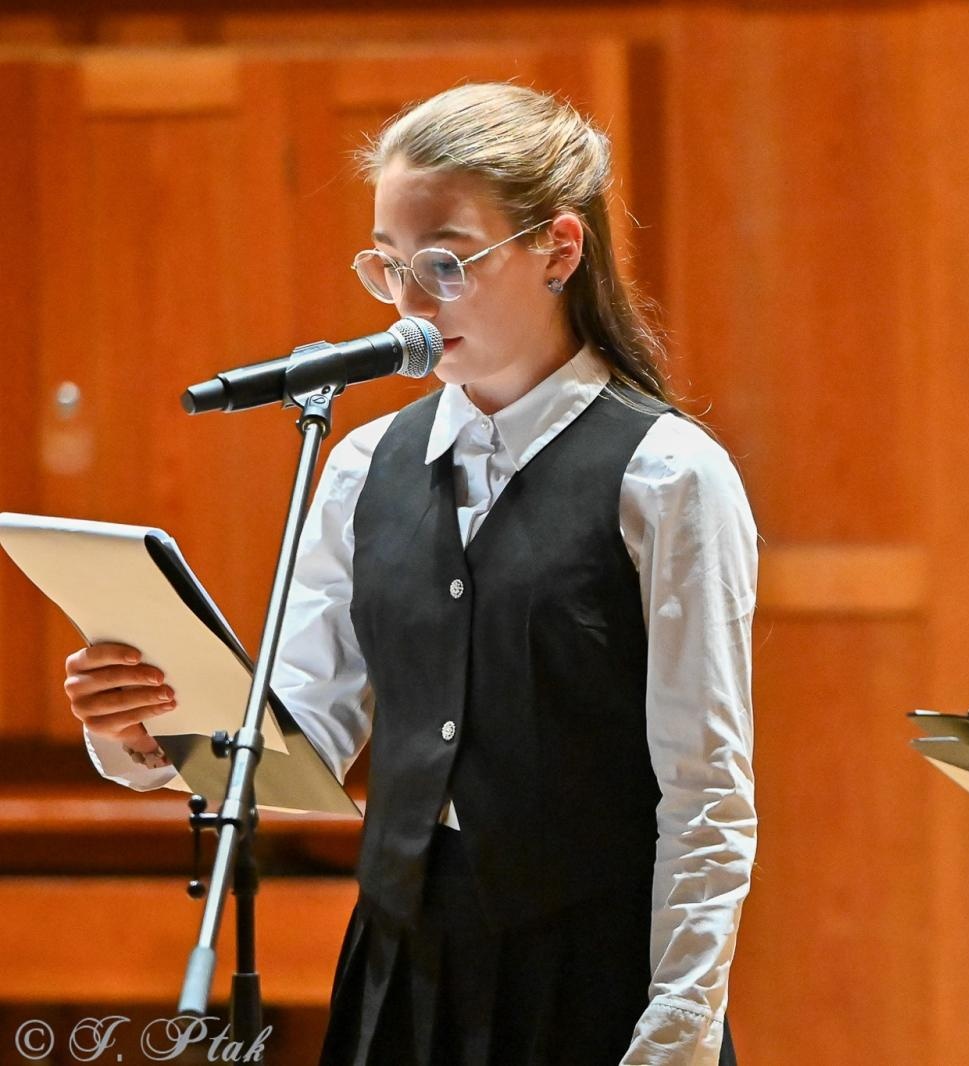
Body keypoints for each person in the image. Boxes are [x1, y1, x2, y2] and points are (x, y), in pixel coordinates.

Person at [61, 82, 756, 1066]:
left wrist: (676, 1033)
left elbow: (707, 793)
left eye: (444, 263)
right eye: (389, 267)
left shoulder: (668, 474)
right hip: (401, 969)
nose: (411, 306)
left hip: (594, 974)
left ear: (558, 248)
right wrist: (139, 732)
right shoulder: (361, 464)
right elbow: (303, 731)